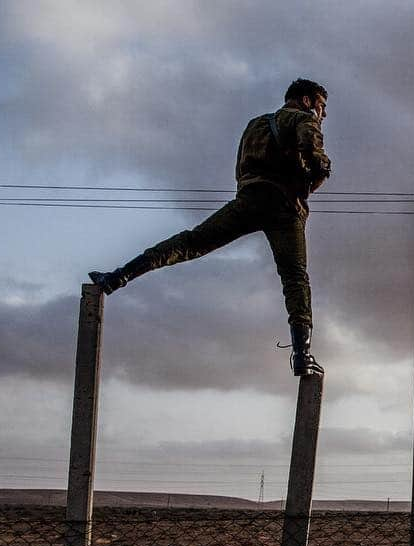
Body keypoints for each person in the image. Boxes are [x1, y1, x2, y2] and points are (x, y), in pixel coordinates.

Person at [87, 78, 332, 376]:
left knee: (190, 243)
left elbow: (240, 170)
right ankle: (302, 355)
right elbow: (314, 153)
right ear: (306, 101)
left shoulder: (254, 125)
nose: (323, 114)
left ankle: (117, 277)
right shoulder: (304, 118)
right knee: (295, 278)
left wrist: (251, 194)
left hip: (248, 199)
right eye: (321, 106)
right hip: (284, 207)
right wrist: (319, 170)